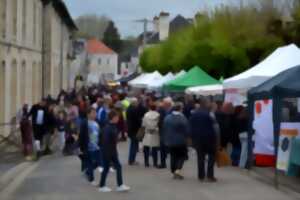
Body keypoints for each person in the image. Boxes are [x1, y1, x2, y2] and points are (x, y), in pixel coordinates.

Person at [99, 110, 130, 192]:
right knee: (109, 168)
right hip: (110, 151)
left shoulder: (108, 127)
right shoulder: (110, 128)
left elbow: (103, 139)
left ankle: (117, 185)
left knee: (112, 167)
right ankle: (104, 185)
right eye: (117, 117)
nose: (118, 119)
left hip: (109, 151)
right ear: (113, 118)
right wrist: (118, 138)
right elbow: (110, 140)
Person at [189, 99, 218, 182]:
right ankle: (210, 175)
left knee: (200, 157)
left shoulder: (194, 114)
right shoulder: (209, 114)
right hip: (209, 138)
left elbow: (190, 126)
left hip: (198, 139)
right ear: (205, 104)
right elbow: (214, 126)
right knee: (211, 157)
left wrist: (192, 138)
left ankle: (201, 176)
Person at [163, 102, 189, 179]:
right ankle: (177, 170)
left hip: (170, 140)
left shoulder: (167, 117)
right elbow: (186, 130)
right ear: (180, 109)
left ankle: (173, 170)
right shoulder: (182, 118)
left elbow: (164, 128)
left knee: (173, 155)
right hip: (181, 140)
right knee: (182, 156)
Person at [126, 98, 146, 165]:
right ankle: (132, 160)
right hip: (134, 130)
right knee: (134, 145)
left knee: (133, 144)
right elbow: (137, 120)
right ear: (134, 103)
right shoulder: (133, 110)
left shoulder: (128, 109)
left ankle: (131, 160)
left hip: (130, 129)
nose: (137, 103)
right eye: (137, 102)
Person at [141, 103, 160, 168]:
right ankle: (155, 162)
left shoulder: (146, 115)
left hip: (147, 132)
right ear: (156, 108)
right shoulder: (158, 115)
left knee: (146, 148)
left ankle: (146, 162)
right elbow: (159, 124)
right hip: (155, 132)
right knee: (155, 148)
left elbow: (143, 124)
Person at [157, 97, 173, 169]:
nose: (163, 104)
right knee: (163, 147)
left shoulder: (172, 110)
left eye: (164, 103)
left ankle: (170, 163)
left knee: (168, 147)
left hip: (168, 131)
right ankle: (163, 163)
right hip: (163, 130)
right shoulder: (161, 110)